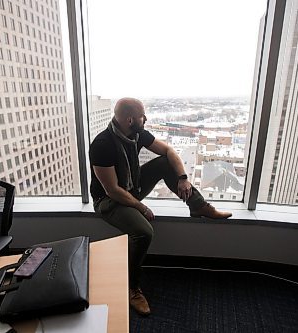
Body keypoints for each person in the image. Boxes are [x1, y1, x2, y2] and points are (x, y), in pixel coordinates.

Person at [89, 97, 232, 316]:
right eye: (142, 116)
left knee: (165, 164)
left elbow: (169, 151)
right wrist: (142, 208)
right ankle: (132, 288)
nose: (145, 118)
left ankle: (199, 206)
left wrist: (183, 178)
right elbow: (112, 190)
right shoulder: (102, 145)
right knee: (144, 232)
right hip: (108, 200)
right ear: (130, 120)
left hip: (131, 187)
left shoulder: (136, 134)